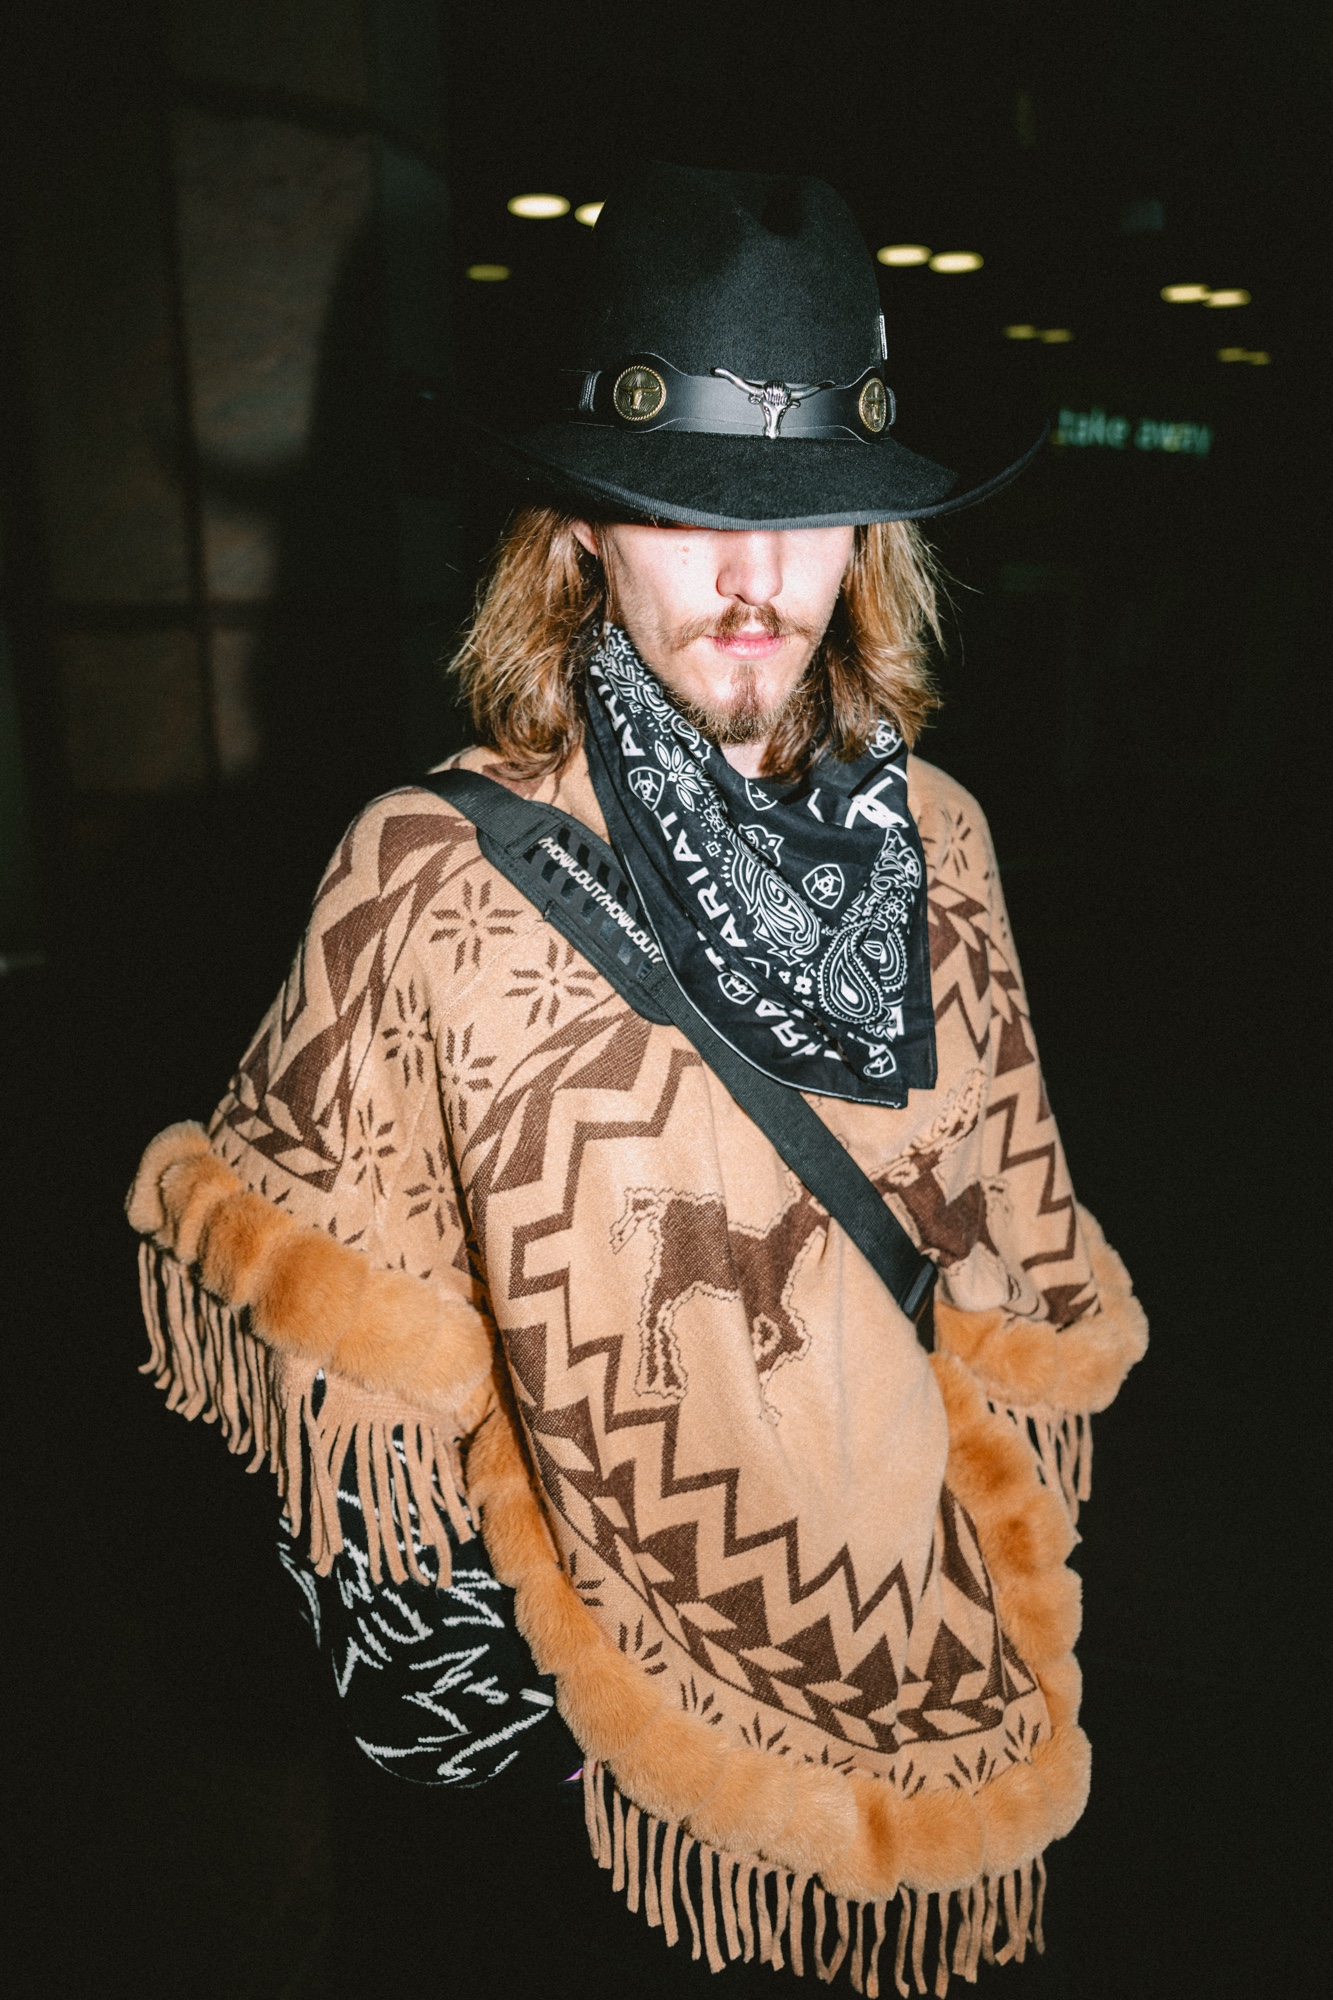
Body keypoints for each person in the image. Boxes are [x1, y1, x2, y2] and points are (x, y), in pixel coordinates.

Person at [127, 162, 1146, 1996]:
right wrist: (493, 1726)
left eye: (811, 513)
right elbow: (349, 1417)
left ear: (874, 534)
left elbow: (1006, 1270)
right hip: (583, 1791)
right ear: (582, 527)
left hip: (913, 1687)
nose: (757, 579)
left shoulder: (944, 844)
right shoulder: (427, 880)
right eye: (687, 509)